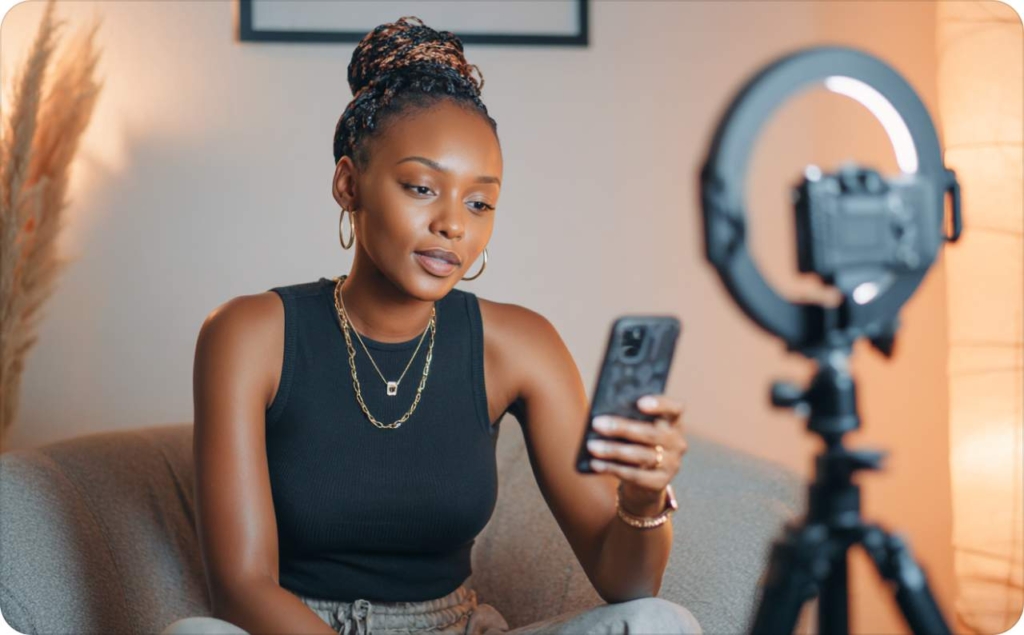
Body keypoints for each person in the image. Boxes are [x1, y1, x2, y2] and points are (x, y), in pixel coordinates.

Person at [162, 16, 701, 635]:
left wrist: (641, 501)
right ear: (348, 183)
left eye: (479, 202)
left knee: (661, 622)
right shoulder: (249, 334)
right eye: (421, 187)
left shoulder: (520, 346)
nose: (453, 225)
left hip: (458, 627)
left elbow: (626, 584)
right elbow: (241, 588)